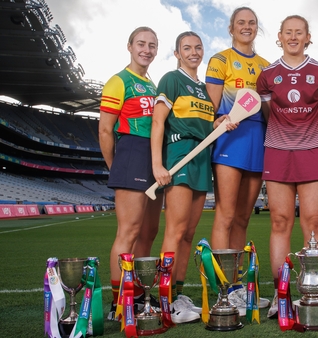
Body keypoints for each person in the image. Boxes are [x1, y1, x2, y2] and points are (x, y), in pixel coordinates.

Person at [151, 31, 236, 323]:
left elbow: (202, 126)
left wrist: (218, 121)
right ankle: (166, 300)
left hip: (202, 159)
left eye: (198, 47)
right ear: (177, 53)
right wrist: (157, 164)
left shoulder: (202, 88)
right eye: (186, 48)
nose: (193, 52)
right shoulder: (171, 80)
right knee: (175, 230)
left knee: (188, 233)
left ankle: (178, 293)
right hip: (180, 156)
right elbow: (158, 122)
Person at [256, 15, 318, 318]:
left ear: (307, 37)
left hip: (314, 150)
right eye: (288, 32)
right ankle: (282, 293)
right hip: (277, 150)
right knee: (279, 221)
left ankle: (314, 291)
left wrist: (308, 138)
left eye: (298, 32)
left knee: (314, 222)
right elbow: (266, 114)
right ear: (280, 36)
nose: (293, 37)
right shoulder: (267, 74)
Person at [205, 6, 270, 311]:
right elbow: (210, 107)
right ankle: (223, 287)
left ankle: (237, 286)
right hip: (231, 138)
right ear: (231, 28)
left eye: (252, 23)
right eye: (241, 23)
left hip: (258, 140)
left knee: (243, 217)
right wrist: (218, 121)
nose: (247, 27)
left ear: (257, 28)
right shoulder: (220, 60)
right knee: (226, 214)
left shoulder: (267, 66)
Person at [98, 26, 163, 321]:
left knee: (149, 231)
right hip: (132, 154)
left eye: (152, 45)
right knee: (128, 232)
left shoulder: (152, 84)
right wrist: (116, 166)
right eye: (141, 44)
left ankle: (138, 293)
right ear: (129, 46)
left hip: (155, 156)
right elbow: (104, 129)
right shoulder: (118, 81)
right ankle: (118, 303)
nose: (146, 49)